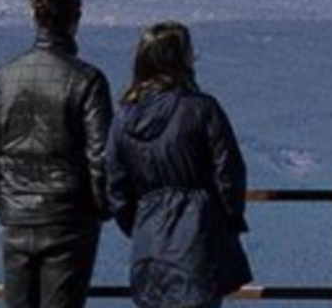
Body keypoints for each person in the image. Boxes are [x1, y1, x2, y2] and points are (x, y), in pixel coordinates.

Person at [0, 0, 113, 308]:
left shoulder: (3, 78)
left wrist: (4, 201)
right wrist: (101, 207)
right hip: (69, 219)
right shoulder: (87, 80)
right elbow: (100, 156)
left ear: (35, 16)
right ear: (76, 17)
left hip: (16, 217)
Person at [106, 21, 253, 308]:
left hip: (148, 243)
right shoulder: (202, 109)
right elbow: (230, 173)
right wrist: (226, 221)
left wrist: (138, 224)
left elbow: (115, 185)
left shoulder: (122, 118)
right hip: (198, 238)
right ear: (181, 59)